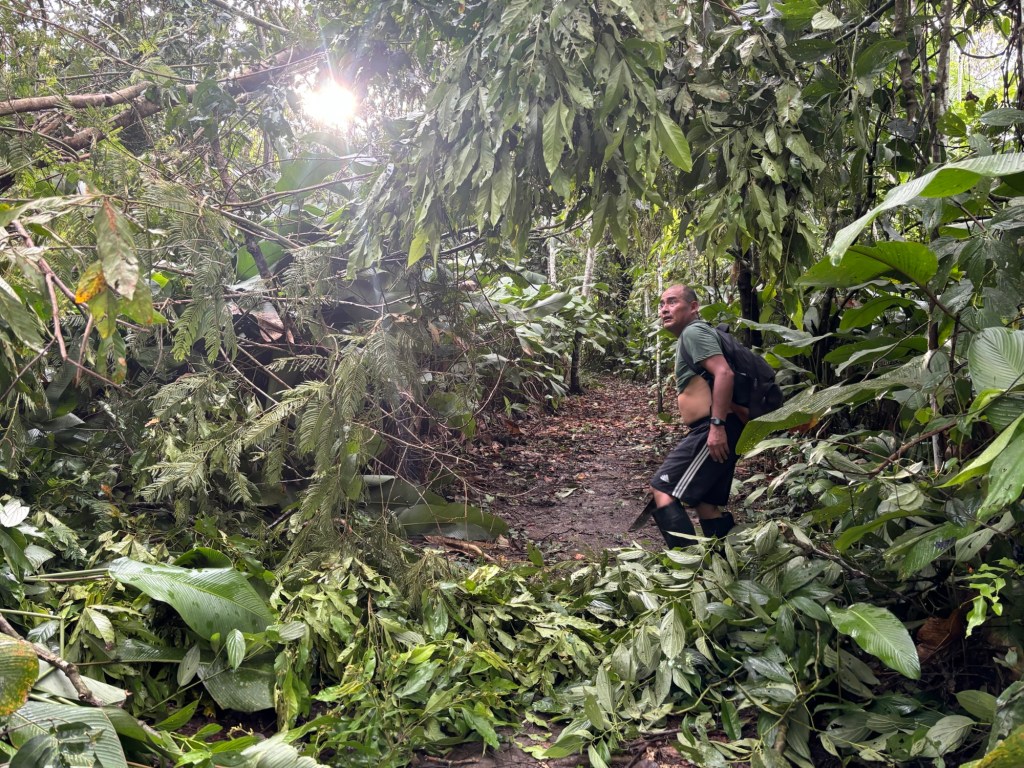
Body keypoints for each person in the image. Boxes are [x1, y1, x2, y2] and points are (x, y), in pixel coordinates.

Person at [649, 284, 745, 547]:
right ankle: (723, 565)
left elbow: (724, 373)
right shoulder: (694, 334)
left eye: (672, 302)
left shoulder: (693, 331)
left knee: (662, 489)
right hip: (721, 425)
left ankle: (687, 565)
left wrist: (717, 426)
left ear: (693, 307)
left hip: (713, 427)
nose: (664, 309)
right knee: (706, 503)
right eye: (661, 304)